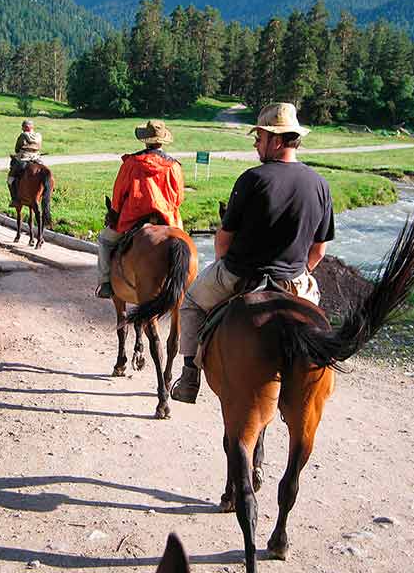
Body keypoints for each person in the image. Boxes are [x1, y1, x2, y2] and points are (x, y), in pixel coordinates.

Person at [170, 102, 335, 403]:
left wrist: (222, 266)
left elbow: (224, 240)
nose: (256, 144)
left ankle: (190, 377)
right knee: (318, 324)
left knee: (191, 303)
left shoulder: (253, 178)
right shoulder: (320, 185)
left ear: (276, 140)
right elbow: (319, 250)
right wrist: (298, 271)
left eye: (259, 138)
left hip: (240, 274)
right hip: (294, 281)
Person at [96, 120, 185, 299]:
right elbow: (178, 198)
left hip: (133, 218)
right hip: (167, 218)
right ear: (162, 141)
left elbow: (119, 193)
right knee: (183, 246)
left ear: (145, 140)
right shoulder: (174, 166)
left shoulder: (131, 163)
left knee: (104, 241)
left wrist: (115, 212)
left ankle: (105, 283)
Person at [8, 119, 42, 206]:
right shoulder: (38, 135)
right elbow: (39, 147)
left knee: (10, 178)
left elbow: (17, 149)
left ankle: (14, 199)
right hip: (37, 158)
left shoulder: (23, 135)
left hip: (24, 158)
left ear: (26, 127)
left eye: (23, 127)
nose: (22, 129)